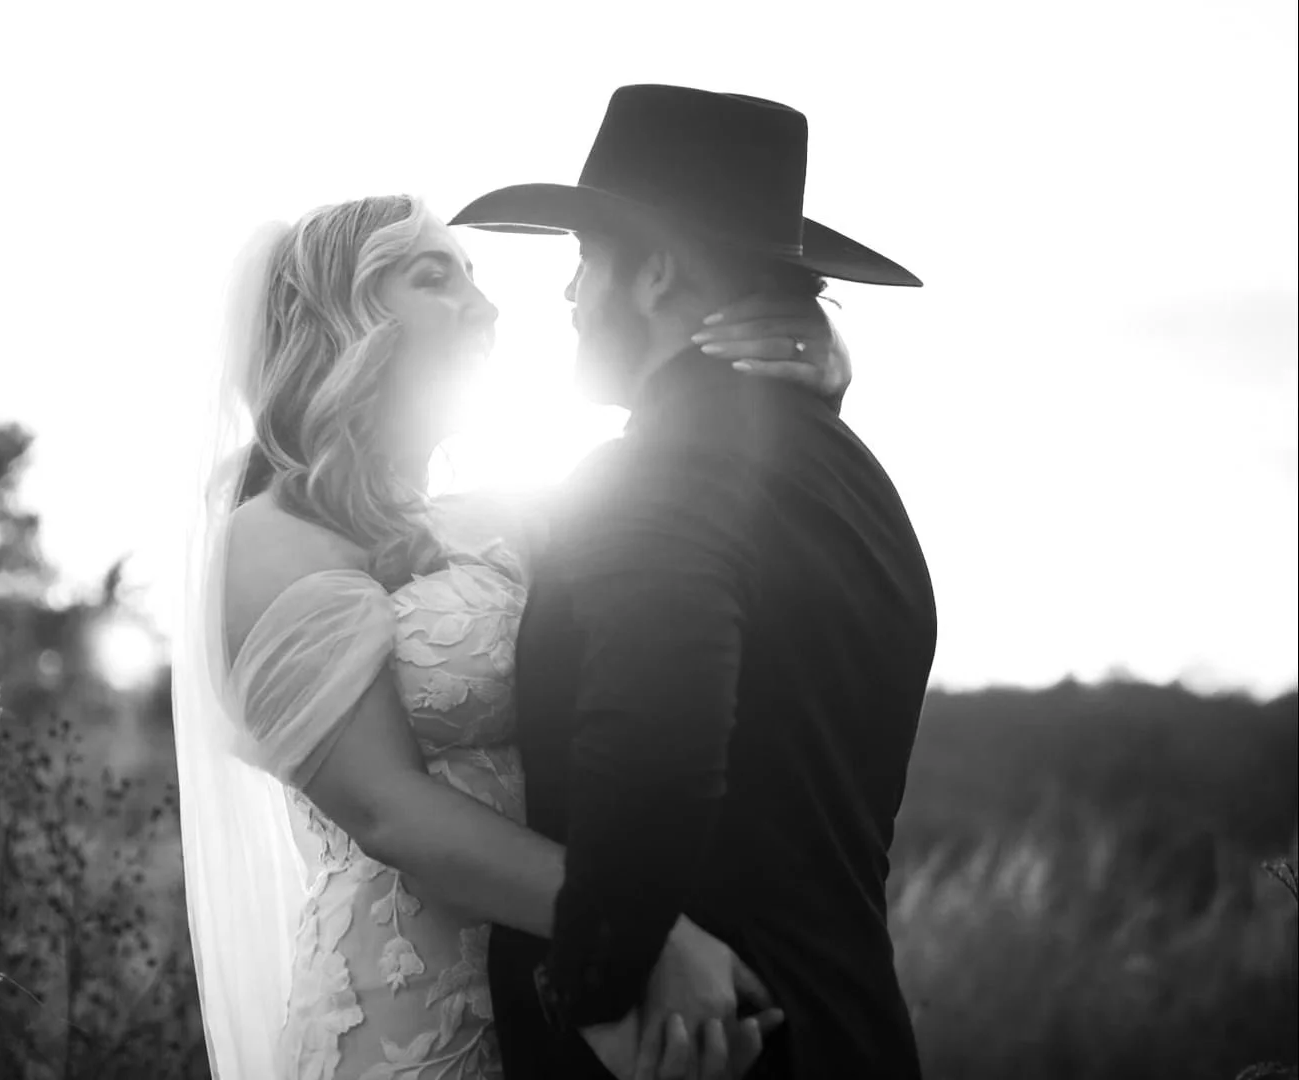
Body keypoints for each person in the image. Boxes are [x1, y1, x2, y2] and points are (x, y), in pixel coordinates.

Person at [172, 175, 862, 1077]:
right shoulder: (270, 541)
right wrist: (641, 932)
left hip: (555, 1010)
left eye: (473, 275)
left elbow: (693, 514)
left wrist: (822, 369)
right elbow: (388, 810)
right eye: (434, 277)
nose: (486, 306)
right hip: (401, 1021)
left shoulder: (501, 519)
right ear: (344, 317)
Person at [449, 85, 936, 1079]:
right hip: (855, 1031)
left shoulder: (652, 474)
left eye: (587, 261)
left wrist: (594, 989)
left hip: (699, 1046)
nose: (570, 296)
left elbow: (656, 739)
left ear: (658, 272)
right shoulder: (864, 488)